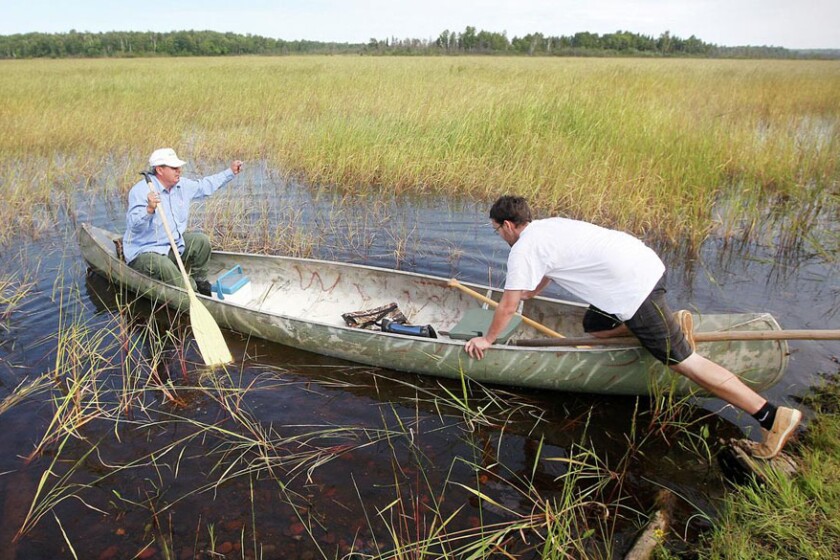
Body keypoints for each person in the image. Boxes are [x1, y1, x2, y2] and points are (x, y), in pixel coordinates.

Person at [464, 195, 802, 460]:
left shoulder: (522, 248)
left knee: (687, 363)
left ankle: (771, 416)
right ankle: (653, 329)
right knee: (594, 325)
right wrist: (533, 291)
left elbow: (508, 306)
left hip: (634, 291)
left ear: (508, 225)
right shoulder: (547, 227)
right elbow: (550, 266)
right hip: (644, 266)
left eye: (497, 230)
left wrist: (489, 339)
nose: (500, 236)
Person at [123, 148, 243, 296]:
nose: (179, 170)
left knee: (201, 241)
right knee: (163, 265)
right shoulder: (141, 191)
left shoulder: (182, 185)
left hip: (171, 246)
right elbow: (134, 225)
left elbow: (205, 185)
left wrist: (230, 172)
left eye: (179, 167)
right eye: (174, 168)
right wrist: (149, 209)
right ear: (159, 170)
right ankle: (190, 291)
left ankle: (200, 282)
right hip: (145, 252)